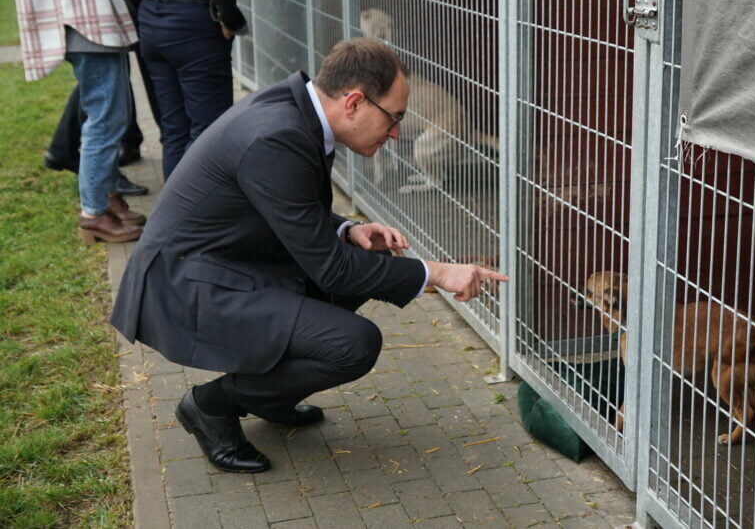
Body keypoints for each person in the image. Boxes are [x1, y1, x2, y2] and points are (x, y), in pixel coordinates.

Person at [110, 38, 509, 473]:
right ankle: (211, 405)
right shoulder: (276, 136)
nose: (396, 133)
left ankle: (271, 394)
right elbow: (334, 271)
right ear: (354, 102)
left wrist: (347, 229)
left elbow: (286, 206)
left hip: (227, 263)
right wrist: (437, 273)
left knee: (354, 284)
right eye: (394, 118)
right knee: (353, 343)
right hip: (185, 287)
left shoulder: (297, 109)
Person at [13, 0, 146, 244]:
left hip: (92, 20)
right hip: (86, 22)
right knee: (106, 118)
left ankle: (105, 199)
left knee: (110, 116)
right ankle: (94, 213)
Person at [112, 0, 248, 180]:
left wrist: (145, 9)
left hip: (152, 17)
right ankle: (197, 208)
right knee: (208, 131)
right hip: (194, 18)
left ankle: (174, 208)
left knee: (174, 130)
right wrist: (228, 18)